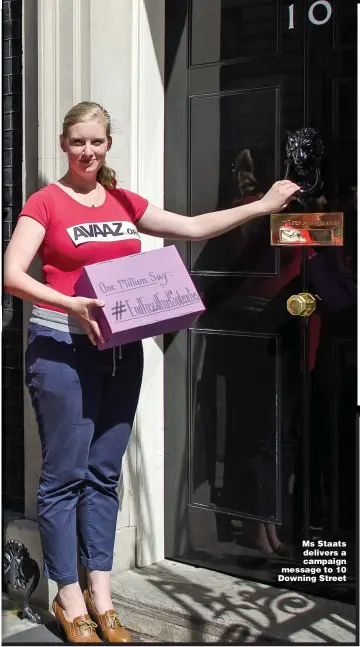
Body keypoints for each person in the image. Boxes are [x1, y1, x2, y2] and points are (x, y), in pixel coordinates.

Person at [4, 101, 299, 644]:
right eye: (77, 142)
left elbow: (190, 225)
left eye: (96, 141)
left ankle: (103, 597)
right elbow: (12, 274)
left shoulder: (122, 200)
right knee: (64, 477)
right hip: (62, 350)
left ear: (107, 144)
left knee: (104, 475)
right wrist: (74, 306)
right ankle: (69, 599)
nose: (87, 151)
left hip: (121, 350)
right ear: (63, 145)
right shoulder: (44, 203)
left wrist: (262, 206)